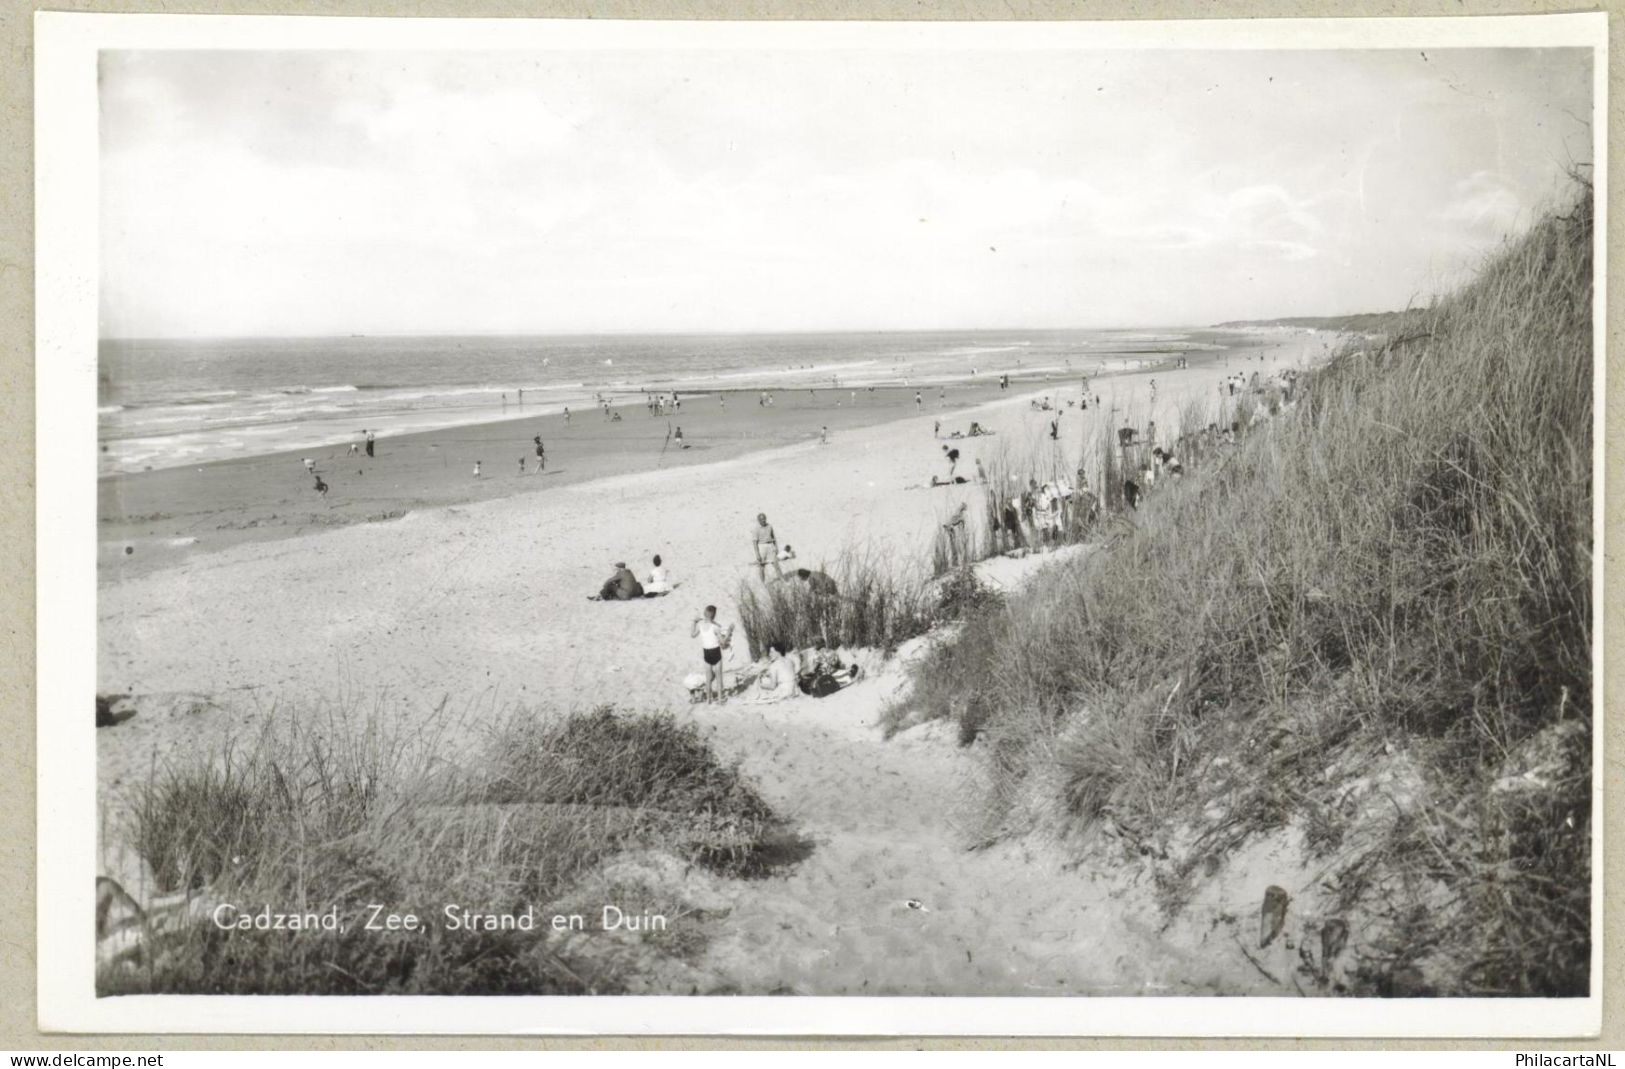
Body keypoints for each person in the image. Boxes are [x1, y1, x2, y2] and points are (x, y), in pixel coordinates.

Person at [691, 605, 732, 703]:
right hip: (716, 652)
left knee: (708, 678)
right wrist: (728, 633)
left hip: (706, 652)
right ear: (714, 616)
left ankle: (709, 699)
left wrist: (694, 622)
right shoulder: (715, 628)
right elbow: (722, 642)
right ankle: (719, 699)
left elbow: (692, 635)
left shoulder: (701, 626)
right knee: (718, 678)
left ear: (705, 614)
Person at [752, 513, 783, 581]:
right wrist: (757, 554)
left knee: (776, 564)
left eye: (764, 519)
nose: (763, 521)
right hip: (762, 547)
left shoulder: (769, 526)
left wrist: (776, 547)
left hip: (770, 546)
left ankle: (782, 580)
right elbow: (754, 542)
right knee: (762, 567)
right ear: (758, 520)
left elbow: (773, 537)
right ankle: (763, 583)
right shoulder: (756, 529)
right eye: (761, 519)